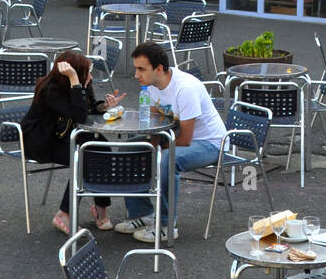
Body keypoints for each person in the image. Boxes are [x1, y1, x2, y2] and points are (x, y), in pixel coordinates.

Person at [113, 42, 227, 243]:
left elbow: (186, 138)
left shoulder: (185, 89)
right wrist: (152, 144)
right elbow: (157, 125)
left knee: (167, 159)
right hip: (174, 137)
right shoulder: (152, 86)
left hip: (211, 143)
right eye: (135, 68)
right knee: (129, 148)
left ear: (158, 69)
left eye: (141, 69)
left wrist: (157, 148)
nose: (136, 75)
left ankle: (167, 225)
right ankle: (142, 214)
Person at [20, 50, 125, 236]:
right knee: (84, 158)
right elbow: (78, 115)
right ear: (72, 73)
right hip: (42, 144)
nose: (90, 76)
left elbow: (88, 108)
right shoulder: (50, 89)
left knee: (101, 145)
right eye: (86, 72)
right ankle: (64, 214)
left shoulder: (82, 83)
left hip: (64, 136)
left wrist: (103, 106)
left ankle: (100, 208)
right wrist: (76, 81)